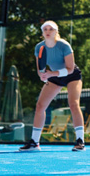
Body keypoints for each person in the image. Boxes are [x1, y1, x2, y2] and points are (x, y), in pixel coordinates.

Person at [19, 20, 86, 152]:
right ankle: (34, 143)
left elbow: (70, 69)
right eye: (45, 29)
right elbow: (40, 69)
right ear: (42, 33)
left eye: (51, 29)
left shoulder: (64, 46)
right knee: (40, 106)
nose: (48, 32)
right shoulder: (39, 47)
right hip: (53, 76)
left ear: (56, 32)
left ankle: (80, 141)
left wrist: (51, 74)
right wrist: (43, 76)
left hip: (72, 75)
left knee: (73, 104)